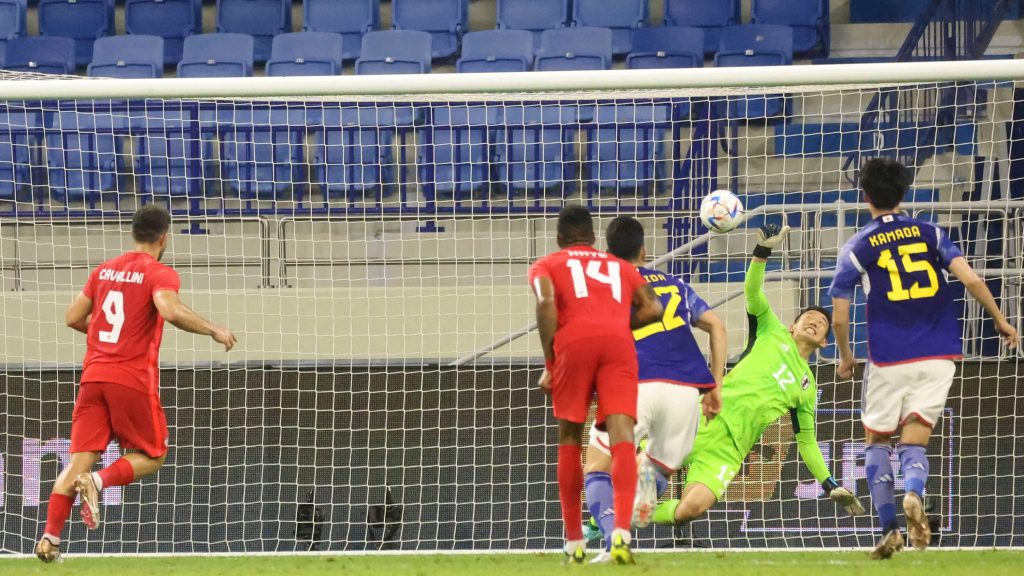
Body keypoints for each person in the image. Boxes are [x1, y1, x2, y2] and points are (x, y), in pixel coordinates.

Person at [829, 158, 1018, 559]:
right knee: (916, 437)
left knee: (877, 441)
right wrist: (1001, 320)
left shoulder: (857, 246)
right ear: (903, 193)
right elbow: (972, 279)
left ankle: (888, 529)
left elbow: (840, 317)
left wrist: (845, 357)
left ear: (865, 197)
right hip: (939, 355)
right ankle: (914, 493)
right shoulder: (931, 232)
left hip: (890, 358)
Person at [35, 205, 237, 563]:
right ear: (164, 237)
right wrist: (213, 329)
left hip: (93, 377)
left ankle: (49, 539)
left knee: (79, 460)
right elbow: (170, 310)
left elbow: (72, 317)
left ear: (133, 233)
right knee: (153, 455)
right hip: (129, 378)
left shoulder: (104, 270)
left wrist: (105, 338)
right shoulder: (159, 273)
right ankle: (98, 483)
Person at [653, 218, 865, 527]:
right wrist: (762, 252)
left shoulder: (806, 386)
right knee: (639, 476)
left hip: (731, 448)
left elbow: (806, 442)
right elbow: (752, 291)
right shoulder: (770, 330)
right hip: (705, 417)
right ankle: (609, 508)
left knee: (691, 509)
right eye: (808, 316)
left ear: (823, 341)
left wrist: (829, 483)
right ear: (793, 325)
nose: (814, 321)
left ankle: (634, 515)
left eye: (821, 324)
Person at [581, 215, 726, 563]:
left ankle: (612, 539)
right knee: (657, 467)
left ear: (608, 253)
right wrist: (716, 386)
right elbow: (717, 327)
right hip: (686, 392)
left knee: (598, 467)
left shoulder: (607, 284)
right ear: (644, 251)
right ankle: (647, 489)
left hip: (636, 385)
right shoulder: (675, 284)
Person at [528, 205, 662, 565]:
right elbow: (654, 309)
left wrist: (551, 362)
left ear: (559, 238)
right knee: (623, 436)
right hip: (619, 347)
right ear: (593, 237)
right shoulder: (619, 266)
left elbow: (546, 304)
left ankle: (574, 542)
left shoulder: (547, 265)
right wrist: (618, 323)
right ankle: (621, 533)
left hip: (573, 345)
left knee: (570, 437)